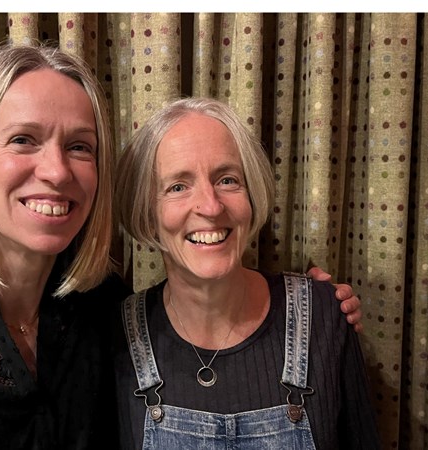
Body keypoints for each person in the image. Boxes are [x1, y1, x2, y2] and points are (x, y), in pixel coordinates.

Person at [0, 44, 363, 449]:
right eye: (23, 140)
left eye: (80, 147)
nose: (56, 171)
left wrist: (317, 309)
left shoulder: (95, 315)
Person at [112, 98, 379, 449]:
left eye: (227, 180)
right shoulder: (118, 336)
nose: (210, 206)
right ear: (147, 214)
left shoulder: (325, 317)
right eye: (178, 186)